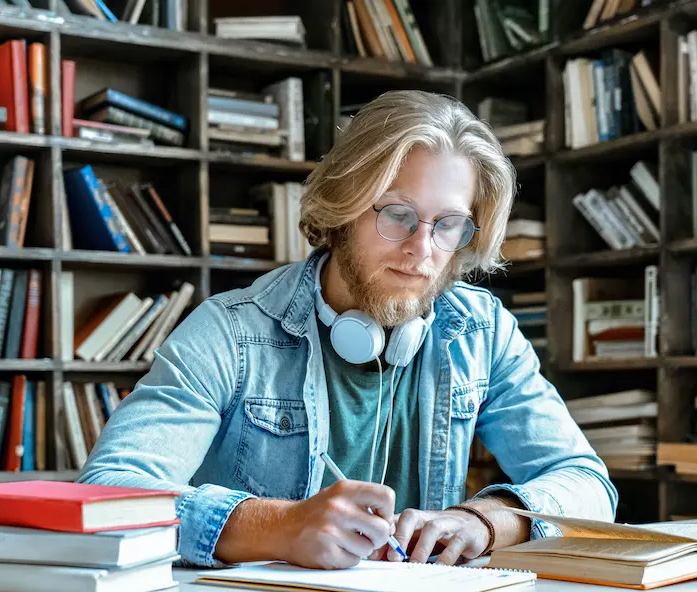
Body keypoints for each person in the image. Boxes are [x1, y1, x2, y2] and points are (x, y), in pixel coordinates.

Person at [76, 90, 617, 570]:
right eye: (398, 215)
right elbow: (107, 498)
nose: (422, 250)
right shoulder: (230, 331)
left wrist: (488, 520)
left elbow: (588, 484)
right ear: (343, 208)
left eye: (447, 225)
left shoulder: (483, 332)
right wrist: (279, 527)